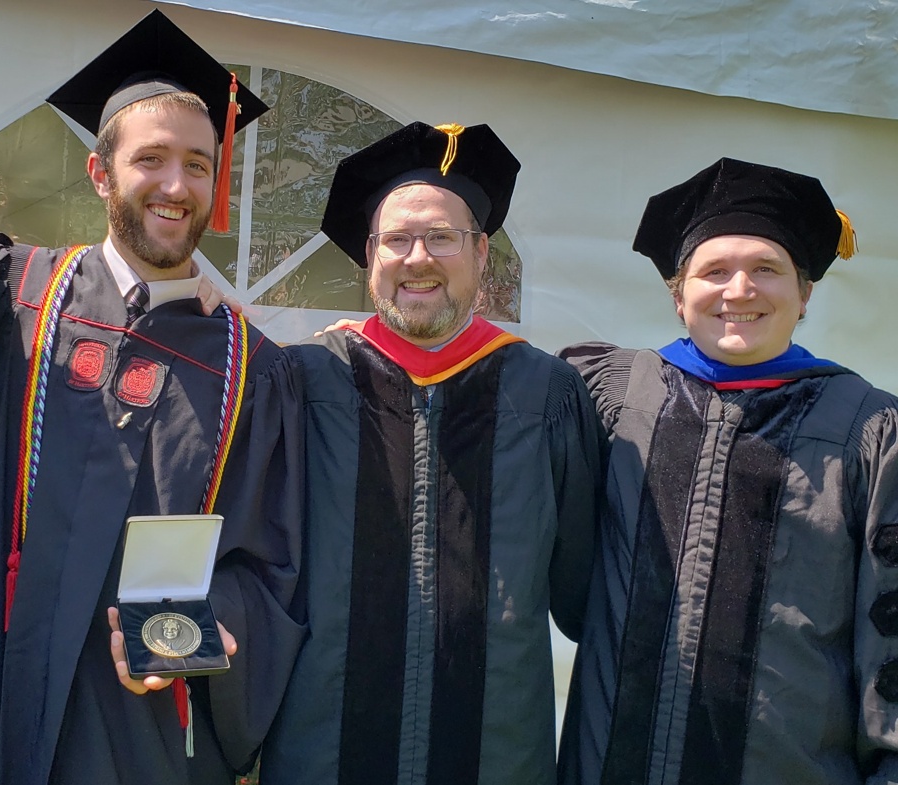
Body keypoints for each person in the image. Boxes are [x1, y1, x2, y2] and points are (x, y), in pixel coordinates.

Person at [0, 10, 304, 785]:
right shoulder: (12, 292)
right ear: (101, 173)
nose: (175, 185)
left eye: (197, 163)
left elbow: (271, 569)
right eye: (150, 158)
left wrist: (205, 627)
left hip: (140, 734)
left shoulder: (252, 369)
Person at [257, 121, 602, 785]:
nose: (418, 257)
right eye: (398, 239)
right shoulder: (304, 383)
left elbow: (584, 591)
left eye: (442, 237)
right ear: (369, 254)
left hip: (496, 753)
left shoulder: (547, 393)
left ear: (481, 253)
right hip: (321, 748)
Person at [557, 158, 898, 785]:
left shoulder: (868, 429)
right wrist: (370, 352)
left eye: (766, 269)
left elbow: (892, 628)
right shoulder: (607, 394)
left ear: (805, 294)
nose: (739, 290)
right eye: (714, 271)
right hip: (612, 763)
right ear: (678, 294)